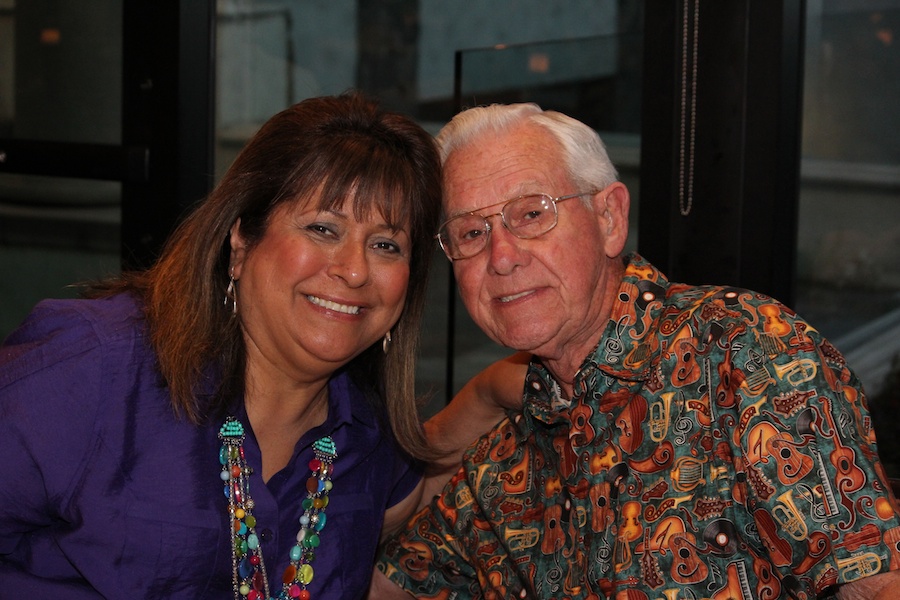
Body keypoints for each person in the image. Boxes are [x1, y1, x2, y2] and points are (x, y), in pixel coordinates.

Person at [372, 102, 900, 599]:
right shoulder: (506, 456)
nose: (502, 256)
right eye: (471, 232)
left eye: (531, 214)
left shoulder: (744, 351)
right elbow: (380, 581)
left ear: (609, 219)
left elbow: (875, 584)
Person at [0, 92, 513, 599]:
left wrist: (488, 394)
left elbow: (411, 497)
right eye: (322, 228)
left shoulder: (365, 435)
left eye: (385, 245)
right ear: (241, 242)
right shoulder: (93, 367)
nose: (355, 270)